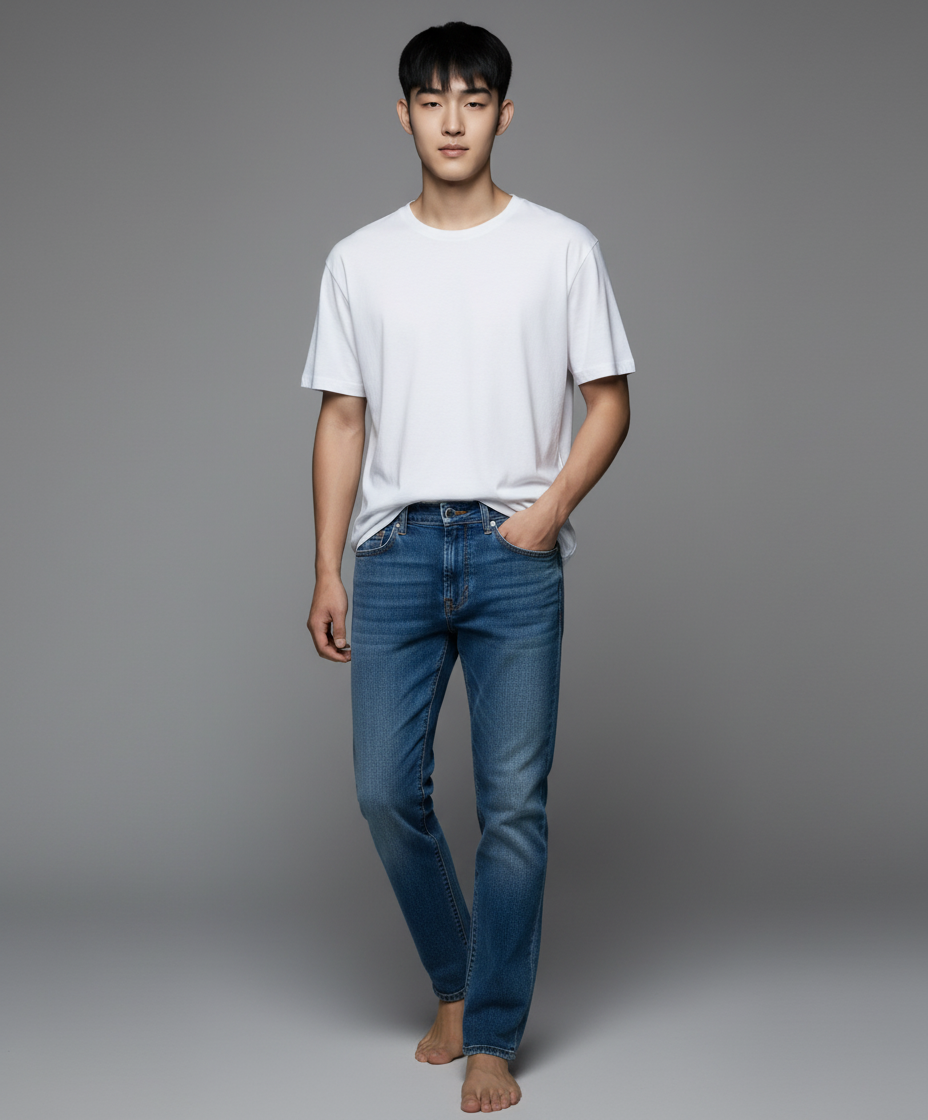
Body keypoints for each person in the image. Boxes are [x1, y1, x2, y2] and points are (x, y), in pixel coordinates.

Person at [304, 21, 634, 1114]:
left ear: (504, 113)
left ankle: (490, 1032)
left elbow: (609, 401)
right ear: (403, 114)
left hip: (510, 551)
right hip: (394, 551)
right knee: (384, 790)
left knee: (513, 806)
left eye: (475, 98)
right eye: (434, 100)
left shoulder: (561, 248)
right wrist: (327, 566)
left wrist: (548, 513)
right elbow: (341, 419)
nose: (454, 120)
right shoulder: (358, 259)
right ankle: (457, 976)